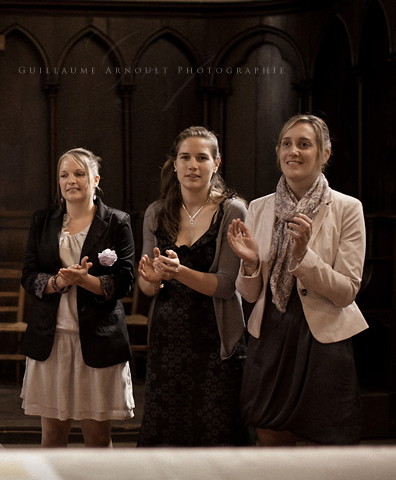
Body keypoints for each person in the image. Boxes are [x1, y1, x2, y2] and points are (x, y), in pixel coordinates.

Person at [227, 114, 367, 445]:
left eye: (304, 144)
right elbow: (249, 295)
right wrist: (248, 265)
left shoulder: (347, 208)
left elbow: (346, 291)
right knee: (269, 437)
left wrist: (304, 257)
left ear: (325, 153)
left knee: (325, 446)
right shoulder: (260, 208)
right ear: (278, 152)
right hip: (270, 333)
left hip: (322, 339)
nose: (294, 152)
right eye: (286, 144)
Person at [136, 127, 248, 446]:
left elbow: (227, 286)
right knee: (167, 437)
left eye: (202, 158)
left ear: (216, 163)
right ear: (175, 164)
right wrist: (151, 278)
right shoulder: (156, 212)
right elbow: (147, 288)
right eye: (185, 157)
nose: (192, 165)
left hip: (217, 341)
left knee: (214, 436)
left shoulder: (233, 210)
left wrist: (178, 271)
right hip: (168, 340)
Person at [20, 148, 136, 448]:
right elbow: (29, 275)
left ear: (95, 180)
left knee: (97, 439)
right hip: (52, 339)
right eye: (64, 175)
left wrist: (88, 281)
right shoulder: (43, 221)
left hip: (98, 339)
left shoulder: (117, 222)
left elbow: (125, 281)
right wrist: (58, 282)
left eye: (79, 173)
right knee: (53, 437)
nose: (71, 180)